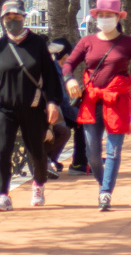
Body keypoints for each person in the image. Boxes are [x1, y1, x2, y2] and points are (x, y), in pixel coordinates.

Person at [63, 0, 131, 212]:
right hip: (92, 100)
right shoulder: (87, 42)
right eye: (101, 15)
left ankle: (105, 192)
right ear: (96, 17)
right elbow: (68, 65)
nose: (104, 18)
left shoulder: (128, 43)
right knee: (92, 153)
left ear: (118, 17)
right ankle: (103, 182)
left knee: (113, 151)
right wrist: (69, 80)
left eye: (109, 15)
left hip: (117, 101)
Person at [0, 0, 63, 211]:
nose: (13, 21)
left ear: (24, 17)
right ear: (2, 20)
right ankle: (2, 195)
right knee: (1, 151)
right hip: (6, 108)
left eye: (16, 17)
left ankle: (38, 185)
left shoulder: (37, 44)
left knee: (36, 151)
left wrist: (53, 102)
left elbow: (51, 77)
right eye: (8, 17)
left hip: (33, 107)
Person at [47, 36, 88, 174]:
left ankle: (80, 160)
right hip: (51, 110)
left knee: (79, 122)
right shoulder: (54, 70)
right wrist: (78, 114)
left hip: (57, 109)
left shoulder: (57, 68)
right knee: (81, 122)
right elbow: (62, 100)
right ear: (65, 56)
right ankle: (79, 163)